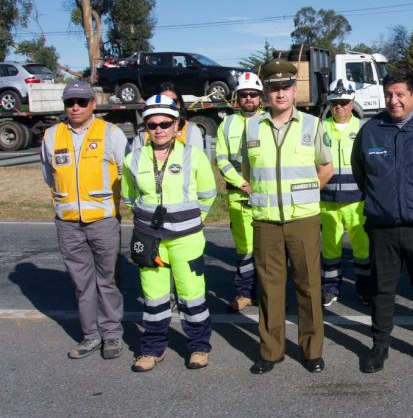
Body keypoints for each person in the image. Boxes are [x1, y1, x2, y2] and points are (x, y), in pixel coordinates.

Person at [351, 68, 413, 373]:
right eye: (389, 95)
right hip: (382, 227)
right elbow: (361, 173)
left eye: (400, 95)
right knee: (382, 291)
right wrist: (382, 201)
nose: (393, 101)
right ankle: (379, 346)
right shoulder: (371, 130)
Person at [243, 58, 333, 375]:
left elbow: (326, 168)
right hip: (266, 221)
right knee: (269, 289)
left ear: (294, 90)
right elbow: (248, 170)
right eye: (273, 87)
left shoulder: (312, 125)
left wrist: (305, 194)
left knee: (309, 287)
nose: (280, 93)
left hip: (303, 221)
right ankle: (271, 351)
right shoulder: (252, 127)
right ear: (265, 92)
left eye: (285, 87)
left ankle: (312, 351)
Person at [122, 94, 217, 372]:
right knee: (154, 298)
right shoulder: (133, 159)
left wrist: (189, 221)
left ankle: (199, 347)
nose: (159, 129)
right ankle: (152, 349)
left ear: (177, 125)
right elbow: (129, 197)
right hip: (149, 240)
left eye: (165, 123)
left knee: (192, 296)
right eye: (152, 125)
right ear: (146, 127)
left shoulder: (194, 155)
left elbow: (208, 194)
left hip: (187, 240)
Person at [40, 81, 127, 360]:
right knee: (82, 283)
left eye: (81, 101)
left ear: (93, 104)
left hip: (103, 220)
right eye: (69, 102)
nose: (75, 107)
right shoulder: (52, 135)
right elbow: (48, 175)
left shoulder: (111, 133)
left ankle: (112, 334)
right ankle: (91, 336)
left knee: (108, 280)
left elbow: (127, 172)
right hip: (67, 223)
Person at [214, 71, 264, 312]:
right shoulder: (227, 124)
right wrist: (241, 183)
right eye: (244, 95)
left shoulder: (269, 121)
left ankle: (267, 293)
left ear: (260, 97)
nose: (248, 99)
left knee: (268, 248)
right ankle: (244, 293)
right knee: (244, 248)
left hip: (266, 195)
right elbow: (221, 159)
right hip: (238, 194)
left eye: (253, 94)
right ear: (237, 98)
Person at [320, 79, 371, 307]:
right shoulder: (320, 128)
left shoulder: (364, 128)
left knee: (363, 247)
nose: (339, 106)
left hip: (357, 201)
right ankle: (330, 288)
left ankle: (365, 288)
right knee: (330, 246)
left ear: (352, 102)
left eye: (343, 102)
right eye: (335, 102)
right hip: (327, 200)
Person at [130, 81, 203, 153]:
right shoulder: (142, 132)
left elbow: (196, 160)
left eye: (173, 101)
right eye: (152, 126)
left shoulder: (190, 130)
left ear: (179, 104)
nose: (168, 104)